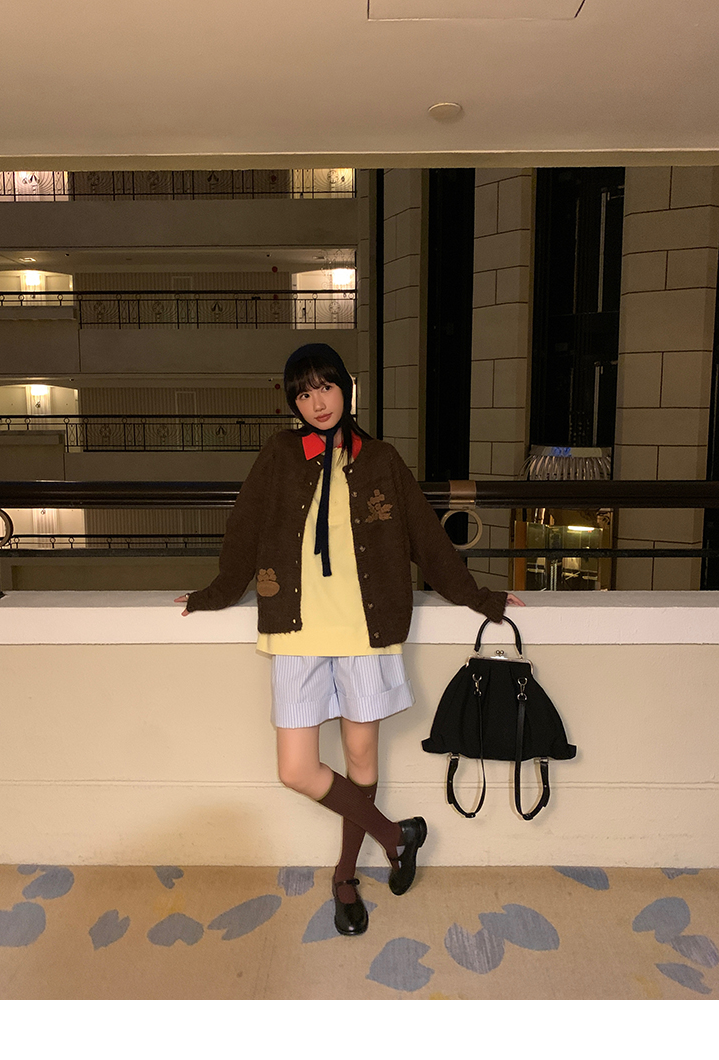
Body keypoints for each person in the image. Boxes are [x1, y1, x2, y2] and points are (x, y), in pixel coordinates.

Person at [175, 343, 523, 937]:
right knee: (296, 768)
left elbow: (427, 538)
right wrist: (216, 592)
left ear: (346, 389)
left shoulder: (381, 459)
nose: (317, 402)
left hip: (367, 631)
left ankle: (344, 877)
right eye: (303, 393)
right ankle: (396, 836)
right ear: (293, 403)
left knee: (361, 760)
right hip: (295, 631)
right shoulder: (280, 454)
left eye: (325, 387)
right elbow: (244, 528)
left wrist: (479, 597)